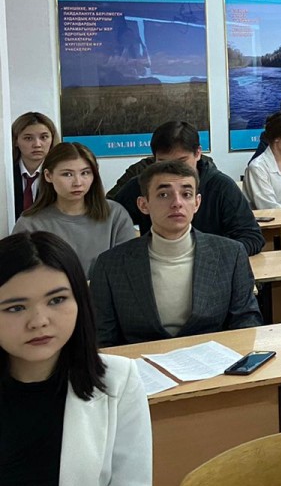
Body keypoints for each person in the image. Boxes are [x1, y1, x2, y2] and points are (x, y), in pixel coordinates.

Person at [0, 231, 153, 486]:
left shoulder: (119, 380)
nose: (39, 321)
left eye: (56, 300)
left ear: (80, 301)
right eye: (15, 307)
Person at [90, 161, 262, 347]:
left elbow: (246, 322)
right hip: (138, 362)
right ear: (143, 204)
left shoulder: (231, 254)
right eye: (164, 195)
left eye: (186, 194)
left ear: (197, 203)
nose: (177, 203)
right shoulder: (110, 264)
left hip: (214, 360)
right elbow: (102, 339)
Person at [109, 121, 265, 256]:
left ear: (198, 153)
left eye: (181, 161)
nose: (173, 169)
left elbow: (252, 237)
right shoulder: (141, 185)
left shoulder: (221, 187)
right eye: (163, 162)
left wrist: (212, 256)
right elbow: (109, 221)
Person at [13, 143, 137, 276]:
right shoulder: (29, 224)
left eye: (85, 173)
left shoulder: (115, 214)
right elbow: (18, 277)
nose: (78, 182)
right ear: (48, 176)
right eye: (67, 174)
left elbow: (128, 269)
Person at [11, 112, 59, 222]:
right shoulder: (6, 173)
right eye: (28, 138)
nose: (37, 144)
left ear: (52, 139)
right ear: (15, 141)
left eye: (44, 137)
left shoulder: (60, 173)